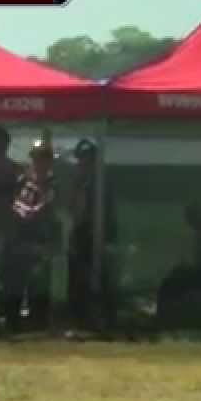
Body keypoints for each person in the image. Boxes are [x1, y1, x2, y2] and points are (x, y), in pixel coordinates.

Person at [0, 139, 61, 334]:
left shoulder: (54, 185)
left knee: (39, 283)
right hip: (20, 240)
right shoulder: (23, 184)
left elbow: (54, 214)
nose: (41, 163)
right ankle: (12, 322)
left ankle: (38, 323)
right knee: (15, 281)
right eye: (37, 159)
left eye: (45, 159)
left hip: (41, 240)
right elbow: (15, 210)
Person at [66, 139, 119, 331]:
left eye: (87, 159)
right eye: (81, 159)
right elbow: (73, 210)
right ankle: (79, 320)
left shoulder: (102, 183)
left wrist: (106, 239)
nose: (83, 163)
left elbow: (107, 213)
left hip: (98, 238)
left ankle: (102, 321)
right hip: (81, 238)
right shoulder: (79, 182)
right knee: (78, 281)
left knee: (99, 279)